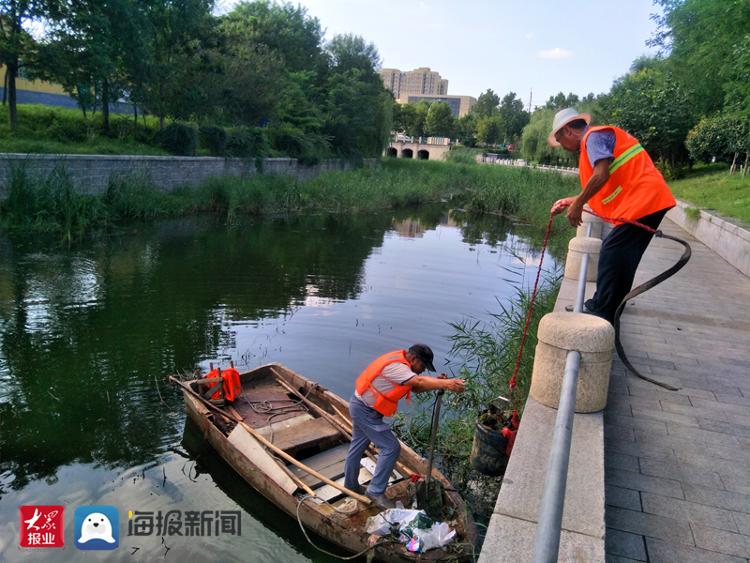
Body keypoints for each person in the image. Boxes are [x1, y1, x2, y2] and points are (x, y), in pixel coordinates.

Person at [548, 108, 676, 323]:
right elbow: (603, 184)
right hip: (645, 201)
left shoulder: (593, 137)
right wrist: (572, 201)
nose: (562, 147)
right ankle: (605, 307)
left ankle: (602, 311)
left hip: (645, 201)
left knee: (612, 252)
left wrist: (578, 204)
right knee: (621, 257)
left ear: (568, 130)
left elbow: (601, 174)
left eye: (560, 140)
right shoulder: (596, 138)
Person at [343, 344, 465, 509]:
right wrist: (447, 384)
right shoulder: (397, 367)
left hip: (361, 406)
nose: (422, 370)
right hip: (365, 411)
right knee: (391, 447)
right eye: (422, 366)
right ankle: (375, 491)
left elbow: (416, 387)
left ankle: (350, 485)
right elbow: (419, 380)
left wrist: (439, 383)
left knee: (358, 445)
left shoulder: (403, 365)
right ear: (414, 359)